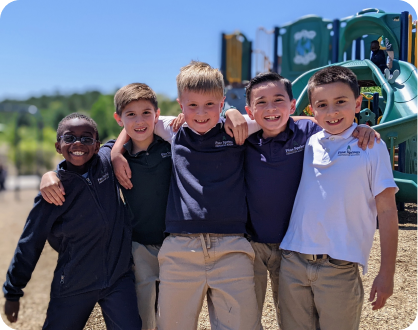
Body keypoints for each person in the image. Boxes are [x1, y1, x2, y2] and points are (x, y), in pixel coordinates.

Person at [113, 61, 263, 330]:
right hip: (181, 247)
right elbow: (137, 120)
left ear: (222, 103)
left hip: (231, 246)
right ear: (180, 104)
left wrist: (232, 113)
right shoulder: (175, 130)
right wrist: (115, 152)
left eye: (210, 105)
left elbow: (285, 119)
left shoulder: (236, 129)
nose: (201, 113)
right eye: (192, 105)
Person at [231, 71, 379, 328]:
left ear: (292, 105)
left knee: (290, 316)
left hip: (293, 248)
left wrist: (364, 128)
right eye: (261, 103)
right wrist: (230, 114)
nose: (271, 108)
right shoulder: (243, 139)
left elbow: (334, 122)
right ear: (250, 110)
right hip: (251, 243)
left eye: (279, 100)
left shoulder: (308, 131)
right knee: (245, 316)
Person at [39, 84, 172, 330]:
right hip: (138, 246)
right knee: (144, 318)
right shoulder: (114, 155)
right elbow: (78, 164)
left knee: (172, 316)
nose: (139, 120)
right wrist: (51, 173)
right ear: (118, 119)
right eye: (130, 114)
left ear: (157, 114)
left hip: (175, 242)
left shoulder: (170, 145)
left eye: (146, 113)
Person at [279, 66, 398, 330]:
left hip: (340, 268)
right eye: (322, 105)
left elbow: (388, 211)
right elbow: (276, 119)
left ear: (357, 103)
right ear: (312, 110)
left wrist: (386, 272)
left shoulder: (370, 146)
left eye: (341, 102)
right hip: (293, 262)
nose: (332, 112)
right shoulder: (308, 140)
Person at [3, 113, 142, 329]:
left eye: (86, 138)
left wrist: (115, 153)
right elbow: (30, 243)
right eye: (69, 138)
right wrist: (13, 291)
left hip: (118, 278)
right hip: (74, 283)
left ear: (97, 145)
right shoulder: (52, 193)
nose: (78, 143)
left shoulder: (105, 161)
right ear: (58, 146)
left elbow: (128, 130)